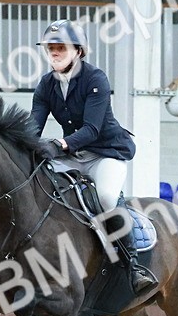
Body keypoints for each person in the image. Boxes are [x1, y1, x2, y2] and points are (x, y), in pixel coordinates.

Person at [30, 19, 156, 293]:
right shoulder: (45, 85)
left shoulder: (95, 79)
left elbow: (91, 129)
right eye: (50, 47)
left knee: (108, 197)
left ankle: (134, 267)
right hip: (73, 155)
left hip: (104, 153)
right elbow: (32, 128)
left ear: (78, 51)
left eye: (60, 47)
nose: (53, 52)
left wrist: (59, 144)